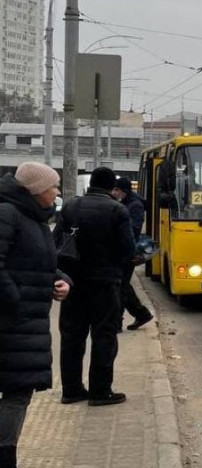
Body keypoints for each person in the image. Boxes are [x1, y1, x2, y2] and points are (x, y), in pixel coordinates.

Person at [0, 162, 71, 468]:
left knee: (19, 393)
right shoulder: (7, 213)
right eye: (54, 186)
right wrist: (15, 301)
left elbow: (39, 264)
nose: (57, 192)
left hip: (26, 323)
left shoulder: (36, 219)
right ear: (36, 189)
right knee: (16, 393)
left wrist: (62, 281)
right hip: (11, 323)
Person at [54, 167, 135, 408]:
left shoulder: (70, 207)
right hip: (104, 282)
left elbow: (56, 241)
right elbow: (128, 248)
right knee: (104, 335)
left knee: (71, 336)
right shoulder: (117, 210)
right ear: (112, 187)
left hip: (72, 281)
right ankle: (100, 392)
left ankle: (71, 390)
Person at [110, 177, 153, 331]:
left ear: (124, 191)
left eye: (117, 190)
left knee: (121, 286)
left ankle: (120, 321)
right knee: (122, 286)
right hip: (123, 250)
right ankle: (140, 314)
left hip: (128, 251)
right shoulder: (125, 203)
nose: (114, 192)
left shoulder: (135, 205)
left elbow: (133, 228)